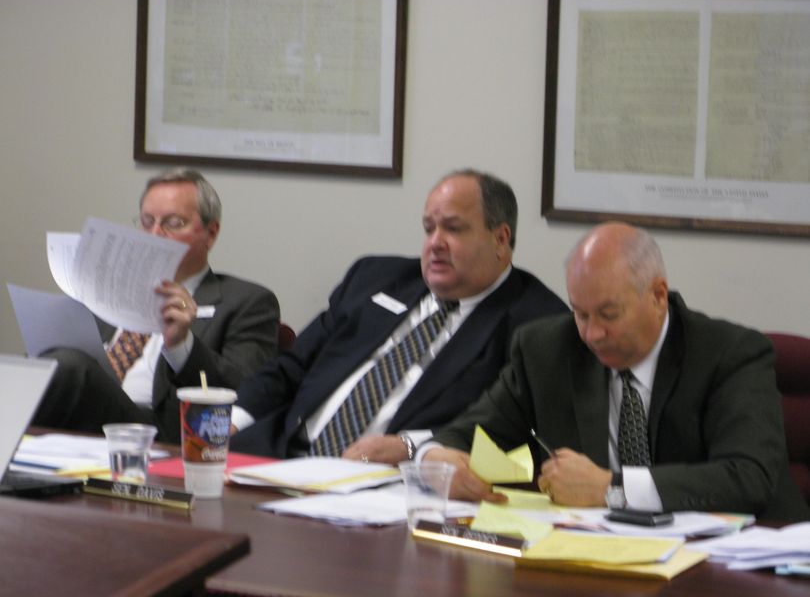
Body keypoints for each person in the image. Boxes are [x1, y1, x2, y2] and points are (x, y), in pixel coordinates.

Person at [425, 222, 809, 522]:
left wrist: (612, 489)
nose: (592, 334)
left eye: (609, 315)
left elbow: (748, 477)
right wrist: (437, 459)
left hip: (736, 564)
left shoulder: (730, 354)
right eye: (580, 313)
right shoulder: (547, 350)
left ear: (658, 296)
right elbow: (463, 434)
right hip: (597, 557)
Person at [229, 169, 568, 462]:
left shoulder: (537, 322)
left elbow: (517, 433)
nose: (435, 243)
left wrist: (411, 447)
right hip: (277, 454)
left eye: (453, 229)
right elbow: (292, 367)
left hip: (389, 485)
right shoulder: (373, 278)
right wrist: (232, 420)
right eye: (429, 228)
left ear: (500, 238)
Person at [33, 168, 280, 443]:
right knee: (39, 370)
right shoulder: (104, 290)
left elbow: (247, 390)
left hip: (161, 433)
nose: (155, 234)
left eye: (173, 223)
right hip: (81, 422)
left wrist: (181, 347)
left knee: (70, 367)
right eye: (147, 221)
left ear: (211, 233)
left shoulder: (248, 302)